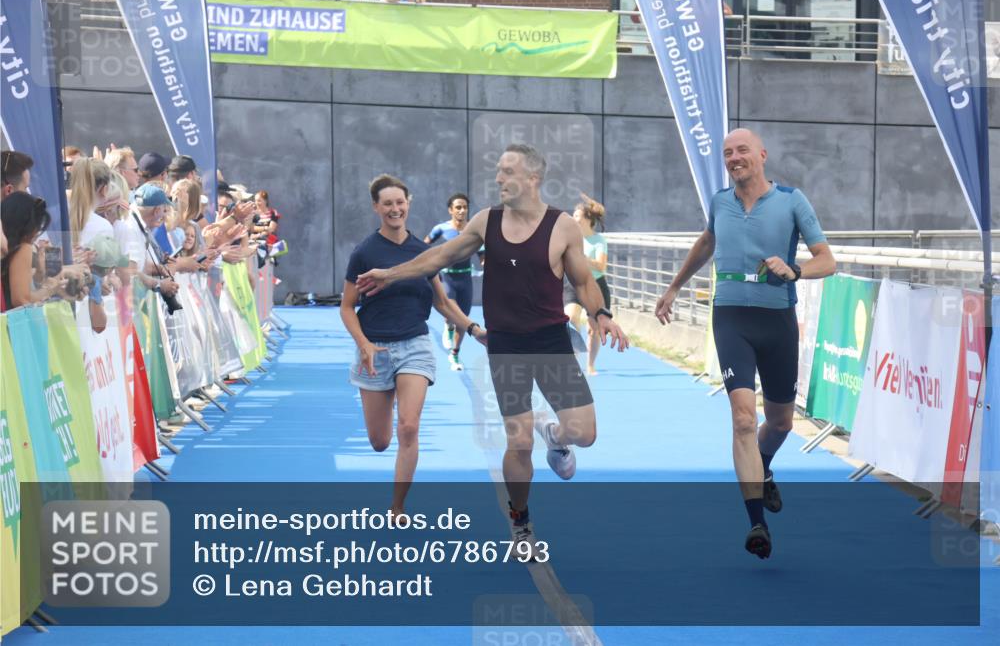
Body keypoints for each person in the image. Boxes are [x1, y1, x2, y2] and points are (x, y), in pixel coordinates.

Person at [356, 144, 629, 552]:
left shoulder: (562, 227)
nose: (498, 178)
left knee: (584, 433)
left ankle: (554, 435)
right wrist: (391, 274)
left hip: (551, 342)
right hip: (506, 347)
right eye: (498, 171)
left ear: (533, 178)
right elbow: (438, 256)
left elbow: (584, 281)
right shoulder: (487, 221)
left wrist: (601, 314)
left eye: (507, 172)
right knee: (519, 443)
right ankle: (521, 523)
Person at [654, 128, 836, 559]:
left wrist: (794, 270)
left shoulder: (792, 200)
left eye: (742, 151)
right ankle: (757, 523)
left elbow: (827, 260)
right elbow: (707, 241)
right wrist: (674, 287)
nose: (734, 158)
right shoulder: (720, 202)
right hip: (731, 316)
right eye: (727, 153)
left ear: (762, 155)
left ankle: (763, 468)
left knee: (781, 423)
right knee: (742, 417)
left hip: (777, 320)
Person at [342, 174, 486, 520]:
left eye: (400, 202)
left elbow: (442, 302)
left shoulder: (423, 252)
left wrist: (473, 328)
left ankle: (397, 506)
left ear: (408, 204)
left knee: (408, 427)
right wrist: (364, 344)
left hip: (415, 345)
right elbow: (347, 307)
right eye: (387, 203)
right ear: (376, 207)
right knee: (380, 442)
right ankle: (386, 397)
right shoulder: (364, 253)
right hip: (375, 349)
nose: (395, 209)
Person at [424, 193, 474, 371]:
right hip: (447, 279)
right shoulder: (441, 228)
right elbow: (424, 245)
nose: (462, 210)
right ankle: (448, 324)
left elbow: (483, 255)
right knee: (452, 312)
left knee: (463, 320)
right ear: (450, 210)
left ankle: (455, 354)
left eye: (464, 207)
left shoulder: (473, 229)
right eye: (458, 207)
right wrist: (429, 263)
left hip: (465, 279)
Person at [563, 193, 609, 376]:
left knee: (594, 329)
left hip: (595, 286)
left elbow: (601, 266)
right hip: (574, 283)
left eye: (576, 215)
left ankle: (590, 365)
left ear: (588, 219)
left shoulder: (599, 241)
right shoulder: (570, 238)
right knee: (570, 319)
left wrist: (582, 258)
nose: (573, 218)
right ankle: (574, 360)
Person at [1, 192, 68, 310]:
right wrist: (51, 289)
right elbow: (21, 300)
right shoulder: (22, 248)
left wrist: (39, 275)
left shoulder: (7, 247)